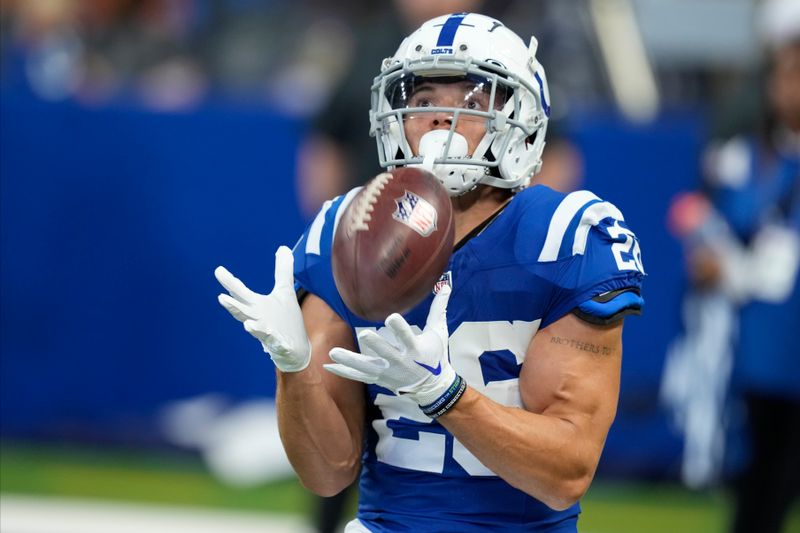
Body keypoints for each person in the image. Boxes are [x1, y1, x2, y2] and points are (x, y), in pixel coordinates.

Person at [216, 13, 645, 532]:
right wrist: (293, 367)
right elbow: (327, 473)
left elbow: (565, 474)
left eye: (469, 100)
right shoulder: (346, 233)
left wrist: (445, 395)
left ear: (521, 118)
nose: (441, 117)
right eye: (422, 102)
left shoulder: (566, 238)